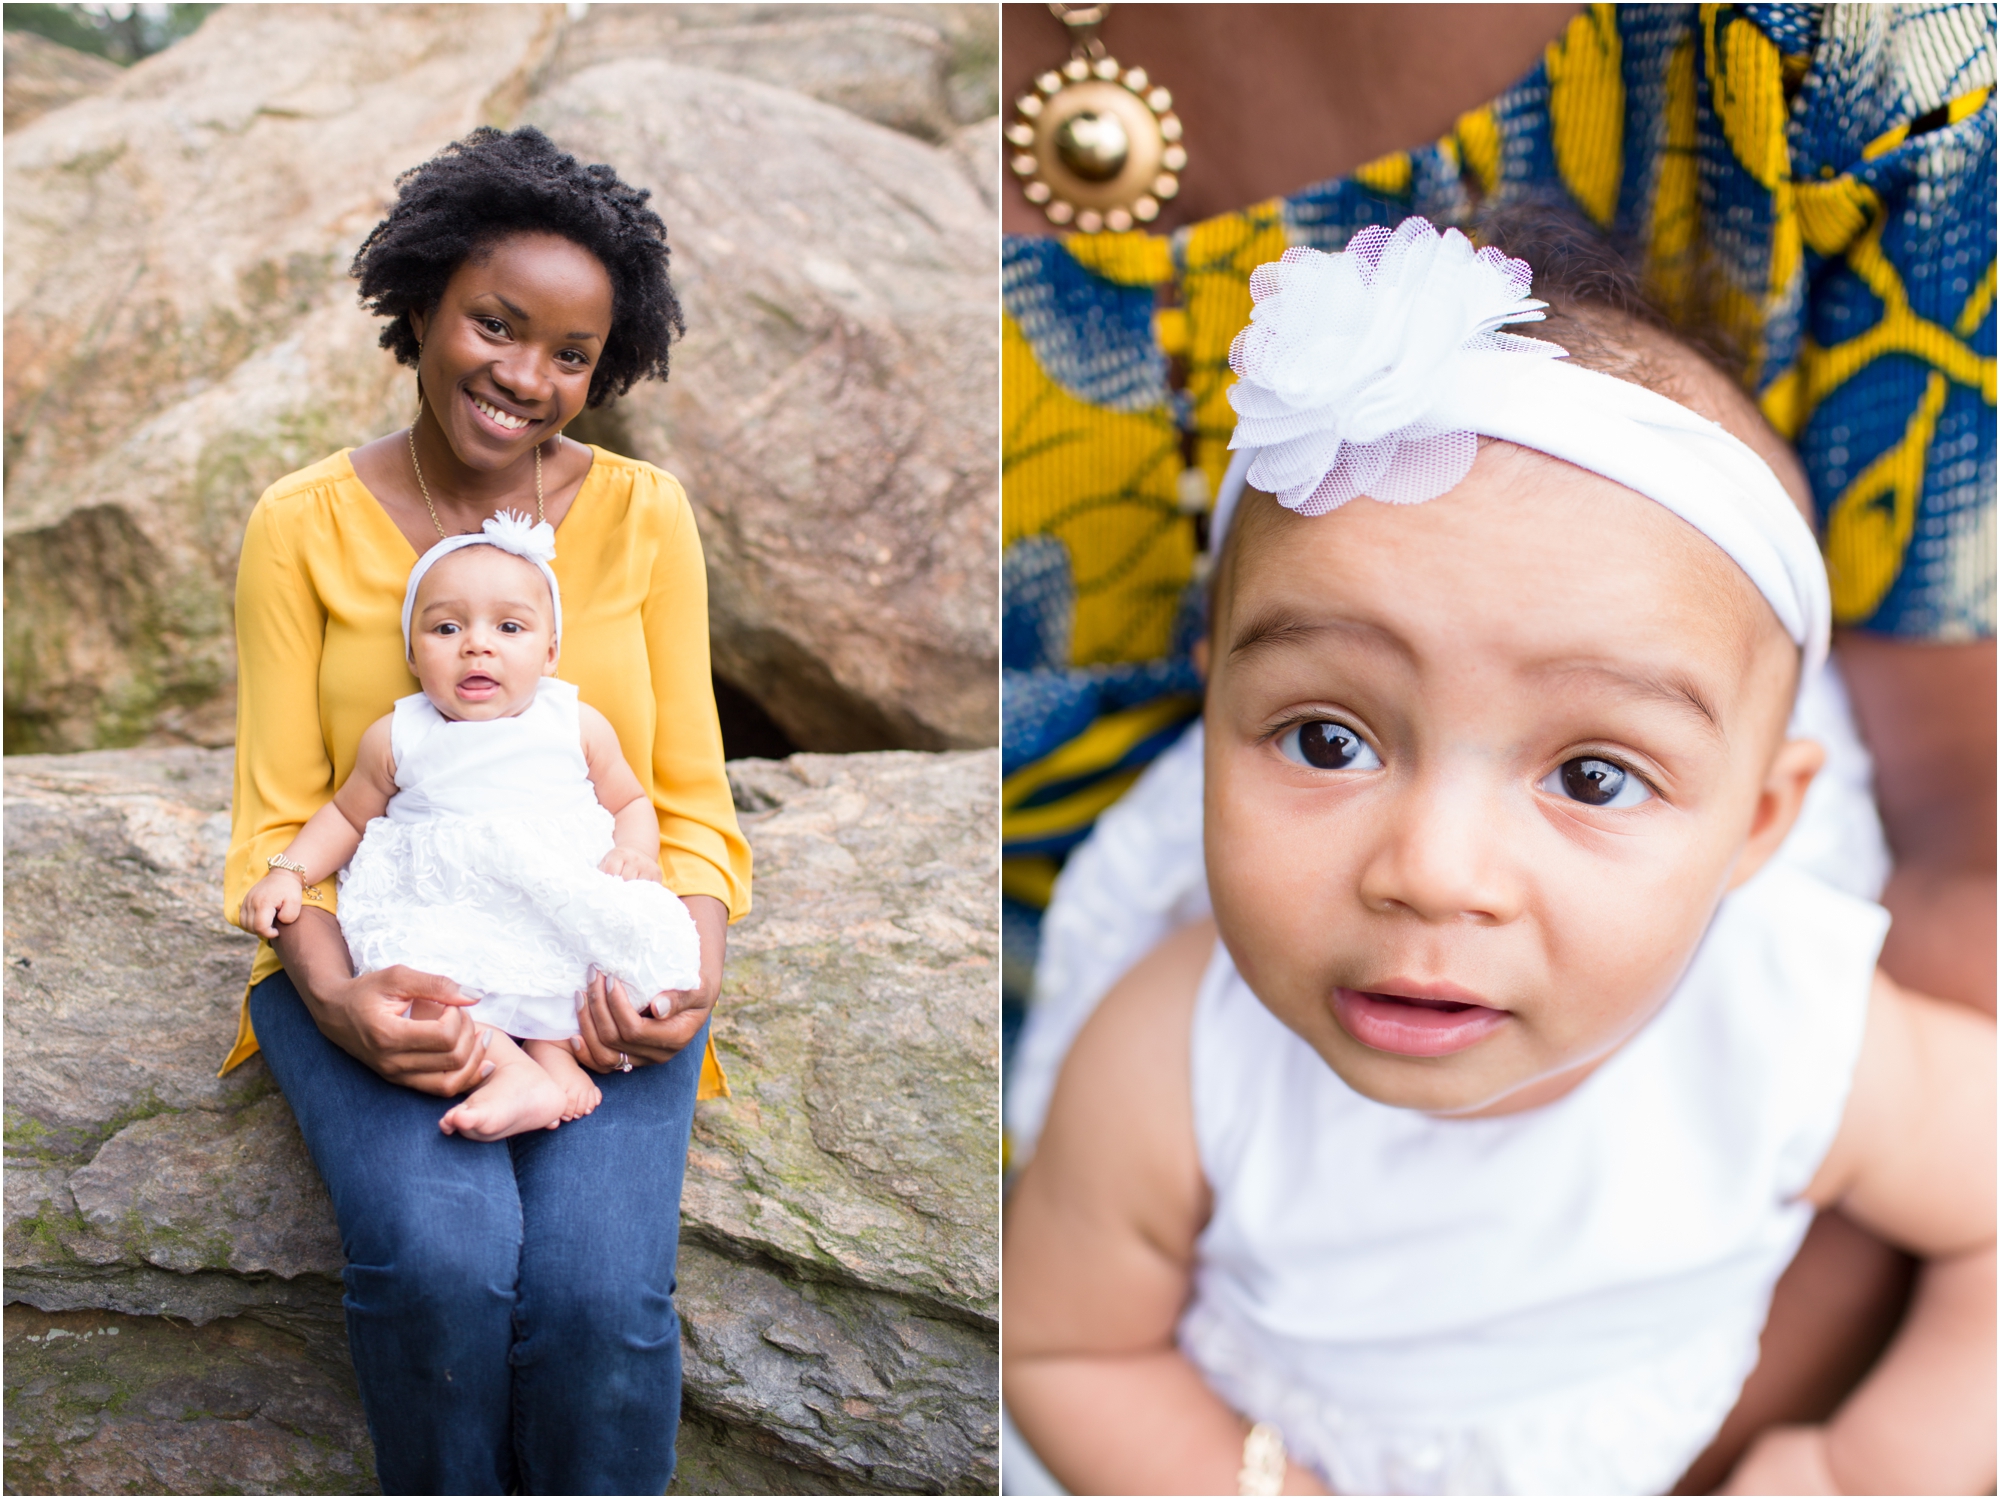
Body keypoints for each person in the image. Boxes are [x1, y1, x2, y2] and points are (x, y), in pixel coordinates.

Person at [1002, 218, 1995, 1494]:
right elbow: (1070, 1347)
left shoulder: (1788, 1026)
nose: (1432, 868)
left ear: (1753, 822)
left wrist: (1864, 1462)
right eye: (1325, 738)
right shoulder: (1176, 1060)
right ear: (1216, 721)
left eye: (1590, 775)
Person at [222, 125, 751, 1494]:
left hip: (589, 971)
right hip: (403, 964)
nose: (526, 378)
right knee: (443, 1266)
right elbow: (283, 817)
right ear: (422, 305)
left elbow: (688, 799)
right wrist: (337, 993)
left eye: (571, 354)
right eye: (496, 326)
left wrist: (685, 975)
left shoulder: (644, 518)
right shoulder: (301, 524)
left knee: (593, 1298)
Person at [238, 513, 702, 1142]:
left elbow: (629, 801)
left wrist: (634, 852)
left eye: (509, 627)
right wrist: (289, 872)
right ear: (411, 650)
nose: (476, 645)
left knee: (602, 969)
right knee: (427, 987)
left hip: (550, 893)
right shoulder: (399, 735)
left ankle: (555, 1055)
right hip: (445, 901)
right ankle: (510, 1070)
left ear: (551, 651)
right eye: (446, 627)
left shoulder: (575, 723)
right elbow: (347, 815)